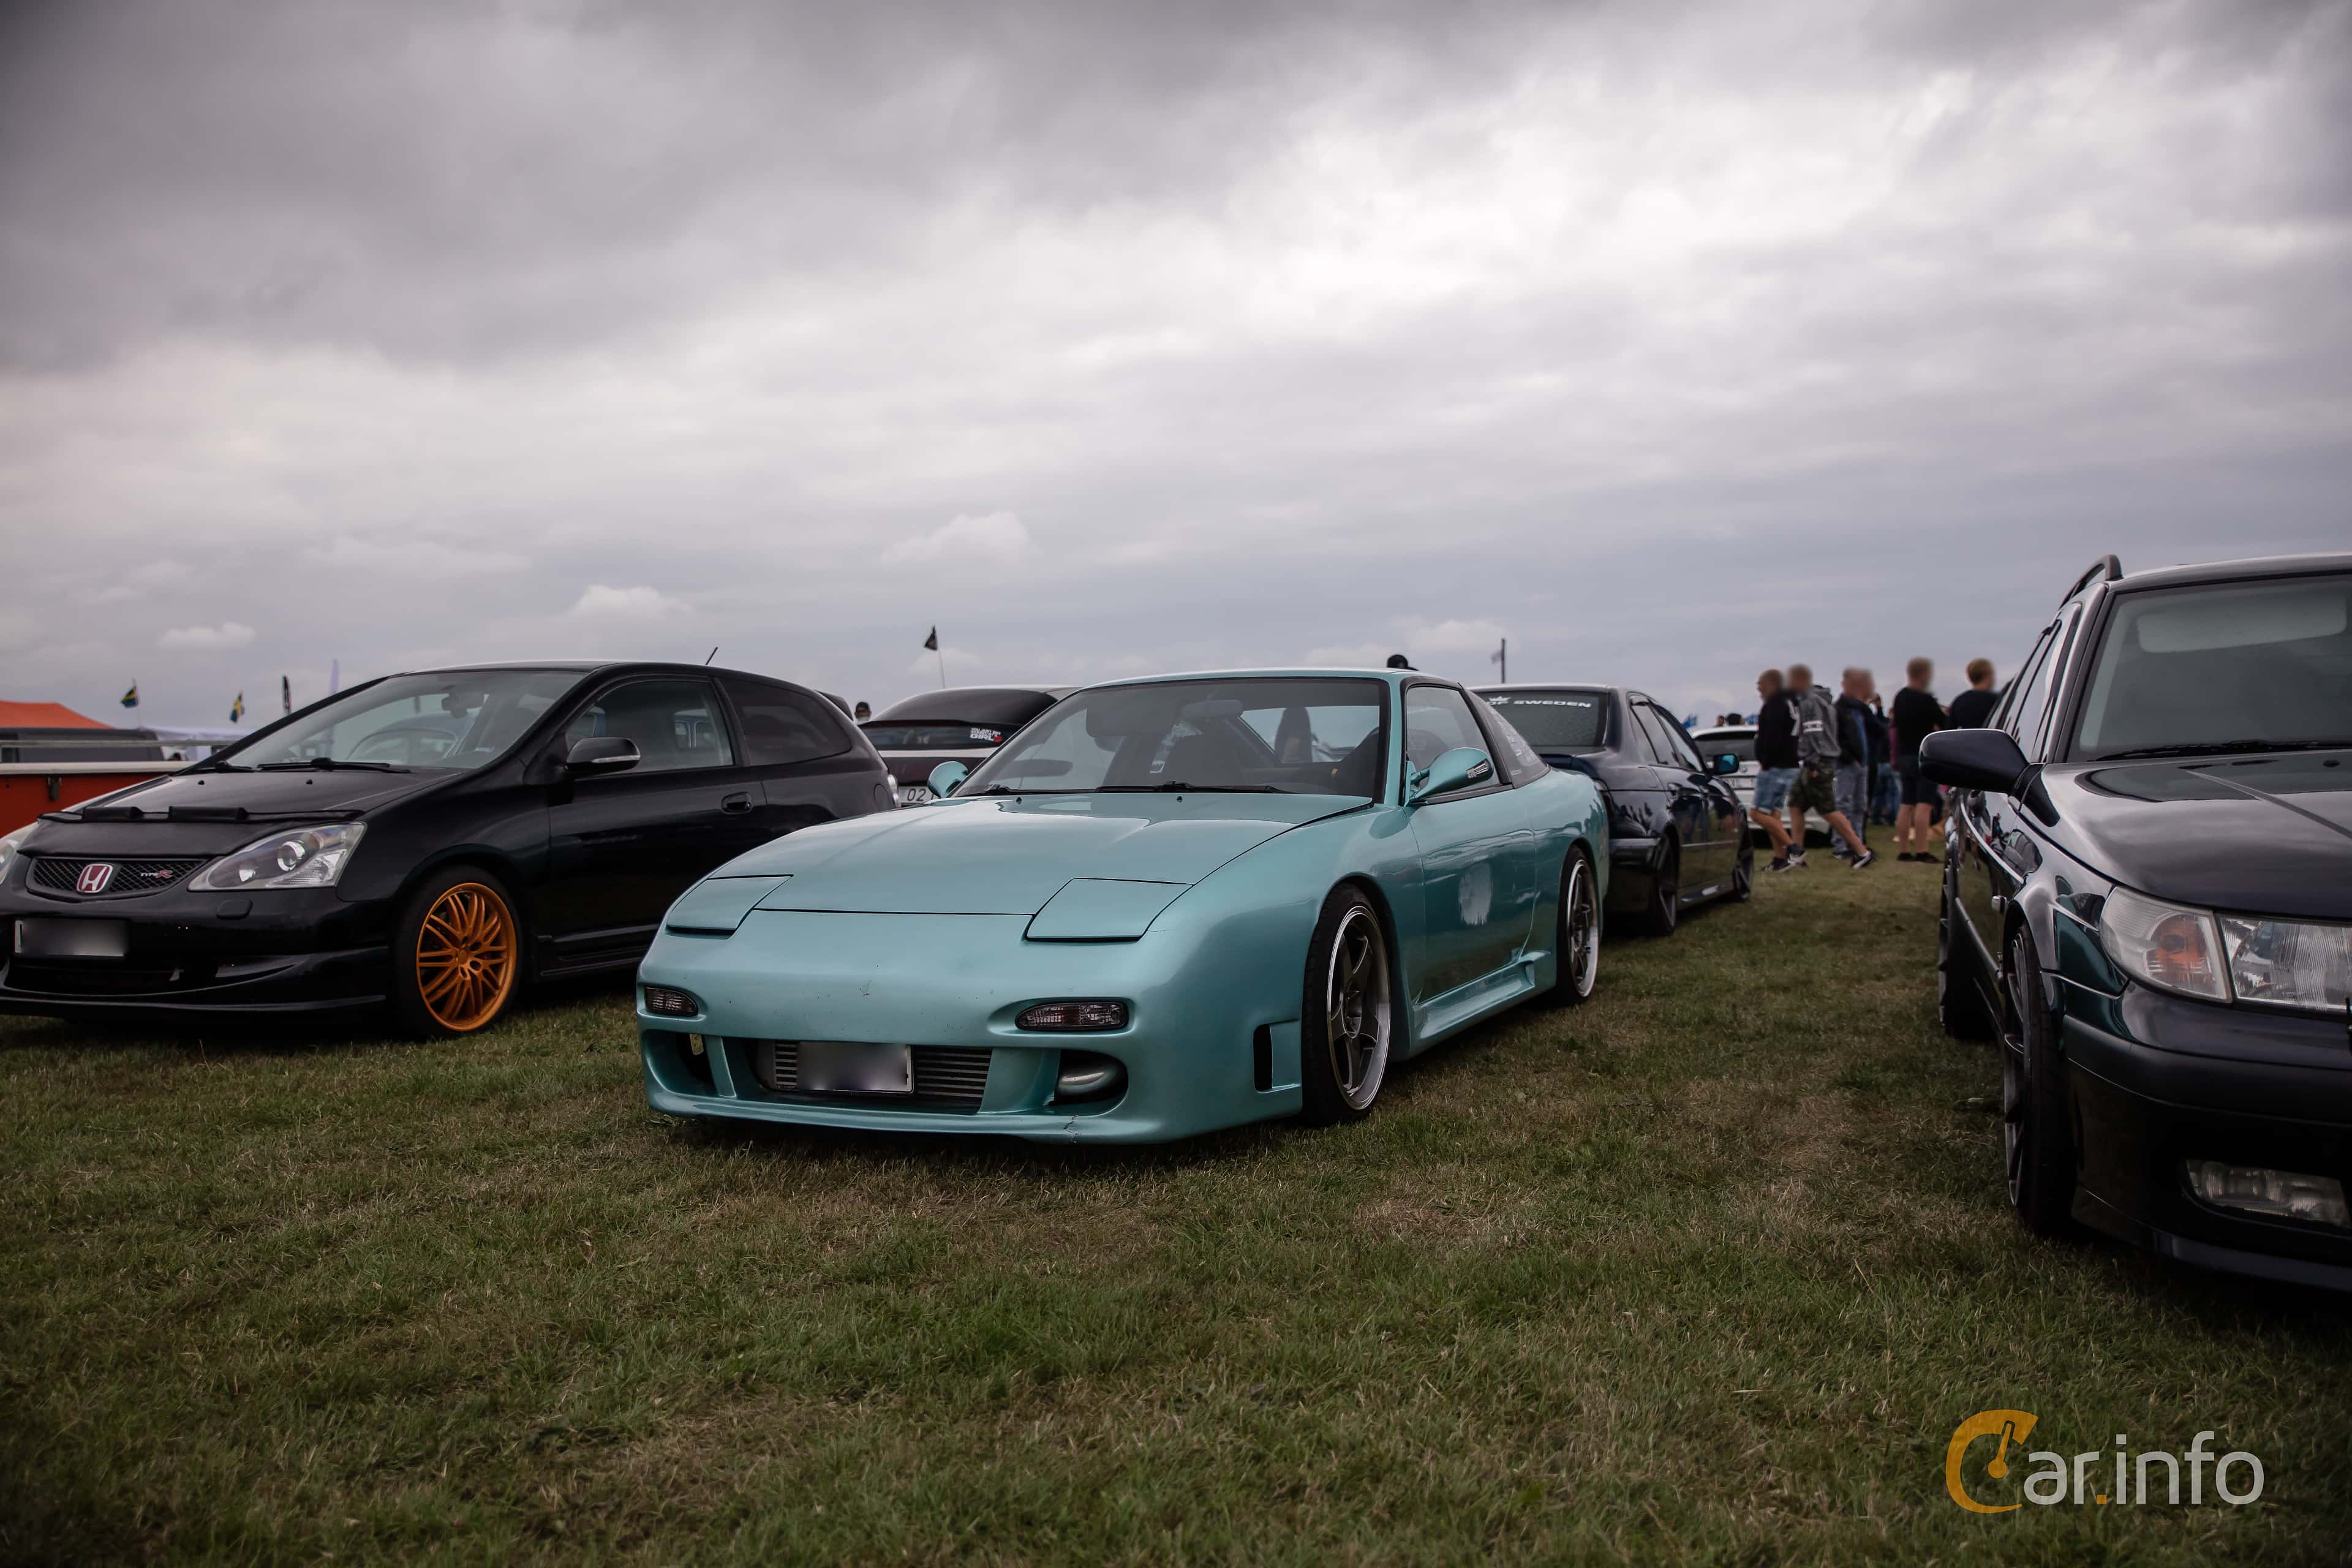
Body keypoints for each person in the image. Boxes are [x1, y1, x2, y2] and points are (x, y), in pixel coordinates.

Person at [1787, 662, 1873, 867]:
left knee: (1828, 810)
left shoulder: (1810, 702)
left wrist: (1813, 763)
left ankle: (1861, 852)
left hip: (1817, 763)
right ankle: (1797, 853)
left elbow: (1814, 733)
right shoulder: (1820, 701)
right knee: (1795, 805)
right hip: (1818, 761)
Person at [1890, 657, 1945, 861]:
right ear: (1923, 674)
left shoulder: (1900, 697)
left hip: (1904, 756)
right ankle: (1922, 850)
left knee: (1906, 804)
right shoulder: (1926, 699)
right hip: (1923, 756)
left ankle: (1904, 850)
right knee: (1924, 804)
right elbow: (1944, 722)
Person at [1749, 668, 1798, 870]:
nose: (1759, 689)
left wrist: (1765, 760)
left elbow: (1772, 738)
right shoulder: (1792, 702)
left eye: (1761, 684)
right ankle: (1780, 859)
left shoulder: (1775, 704)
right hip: (1790, 765)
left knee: (1757, 814)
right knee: (1773, 815)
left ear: (1771, 684)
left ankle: (1794, 849)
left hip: (1775, 767)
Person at [1833, 669, 1876, 853]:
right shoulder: (1839, 710)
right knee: (1844, 805)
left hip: (1862, 764)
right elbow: (1837, 739)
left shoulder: (1857, 710)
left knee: (1860, 806)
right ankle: (1840, 845)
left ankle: (1857, 844)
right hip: (1847, 765)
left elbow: (1878, 729)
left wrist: (1866, 705)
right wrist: (1850, 759)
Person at [1946, 659, 1999, 729]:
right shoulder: (1996, 700)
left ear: (1970, 677)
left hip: (1967, 737)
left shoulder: (1959, 701)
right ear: (1988, 675)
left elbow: (1949, 730)